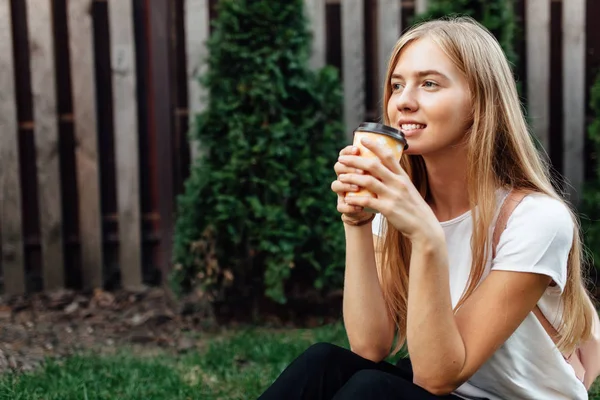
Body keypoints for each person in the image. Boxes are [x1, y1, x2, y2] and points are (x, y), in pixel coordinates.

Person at [257, 16, 597, 399]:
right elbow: (370, 346)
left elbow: (437, 376)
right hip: (443, 389)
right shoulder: (399, 204)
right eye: (397, 85)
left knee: (371, 390)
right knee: (322, 363)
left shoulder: (535, 219)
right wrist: (358, 222)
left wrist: (427, 237)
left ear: (480, 103)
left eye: (430, 84)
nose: (403, 101)